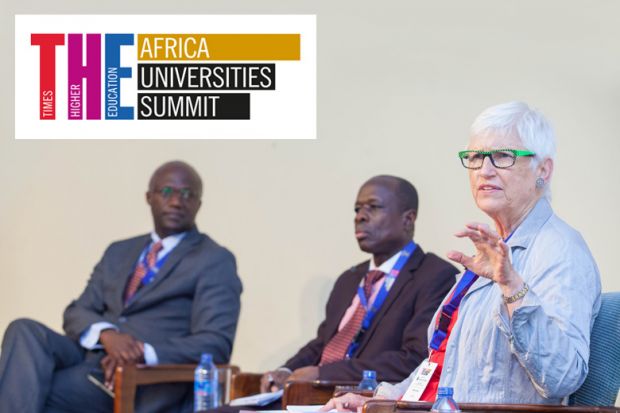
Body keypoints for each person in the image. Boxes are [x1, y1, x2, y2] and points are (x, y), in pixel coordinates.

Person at [322, 102, 601, 411]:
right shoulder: (491, 249)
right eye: (476, 157)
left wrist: (512, 288)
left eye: (503, 156)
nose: (484, 170)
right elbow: (441, 367)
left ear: (543, 170)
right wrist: (378, 399)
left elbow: (562, 376)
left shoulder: (559, 250)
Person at [0, 161, 243, 413]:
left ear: (199, 204)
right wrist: (108, 335)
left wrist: (140, 351)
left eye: (187, 194)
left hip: (138, 380)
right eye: (167, 192)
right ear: (149, 197)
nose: (176, 202)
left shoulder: (214, 259)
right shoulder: (119, 251)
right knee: (24, 330)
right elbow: (76, 313)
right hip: (88, 357)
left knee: (31, 389)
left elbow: (215, 343)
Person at [256, 176, 458, 405]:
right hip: (309, 398)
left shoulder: (435, 276)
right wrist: (286, 369)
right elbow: (324, 343)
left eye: (373, 207)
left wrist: (324, 374)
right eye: (357, 209)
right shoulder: (348, 279)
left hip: (365, 401)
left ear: (408, 219)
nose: (360, 217)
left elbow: (414, 359)